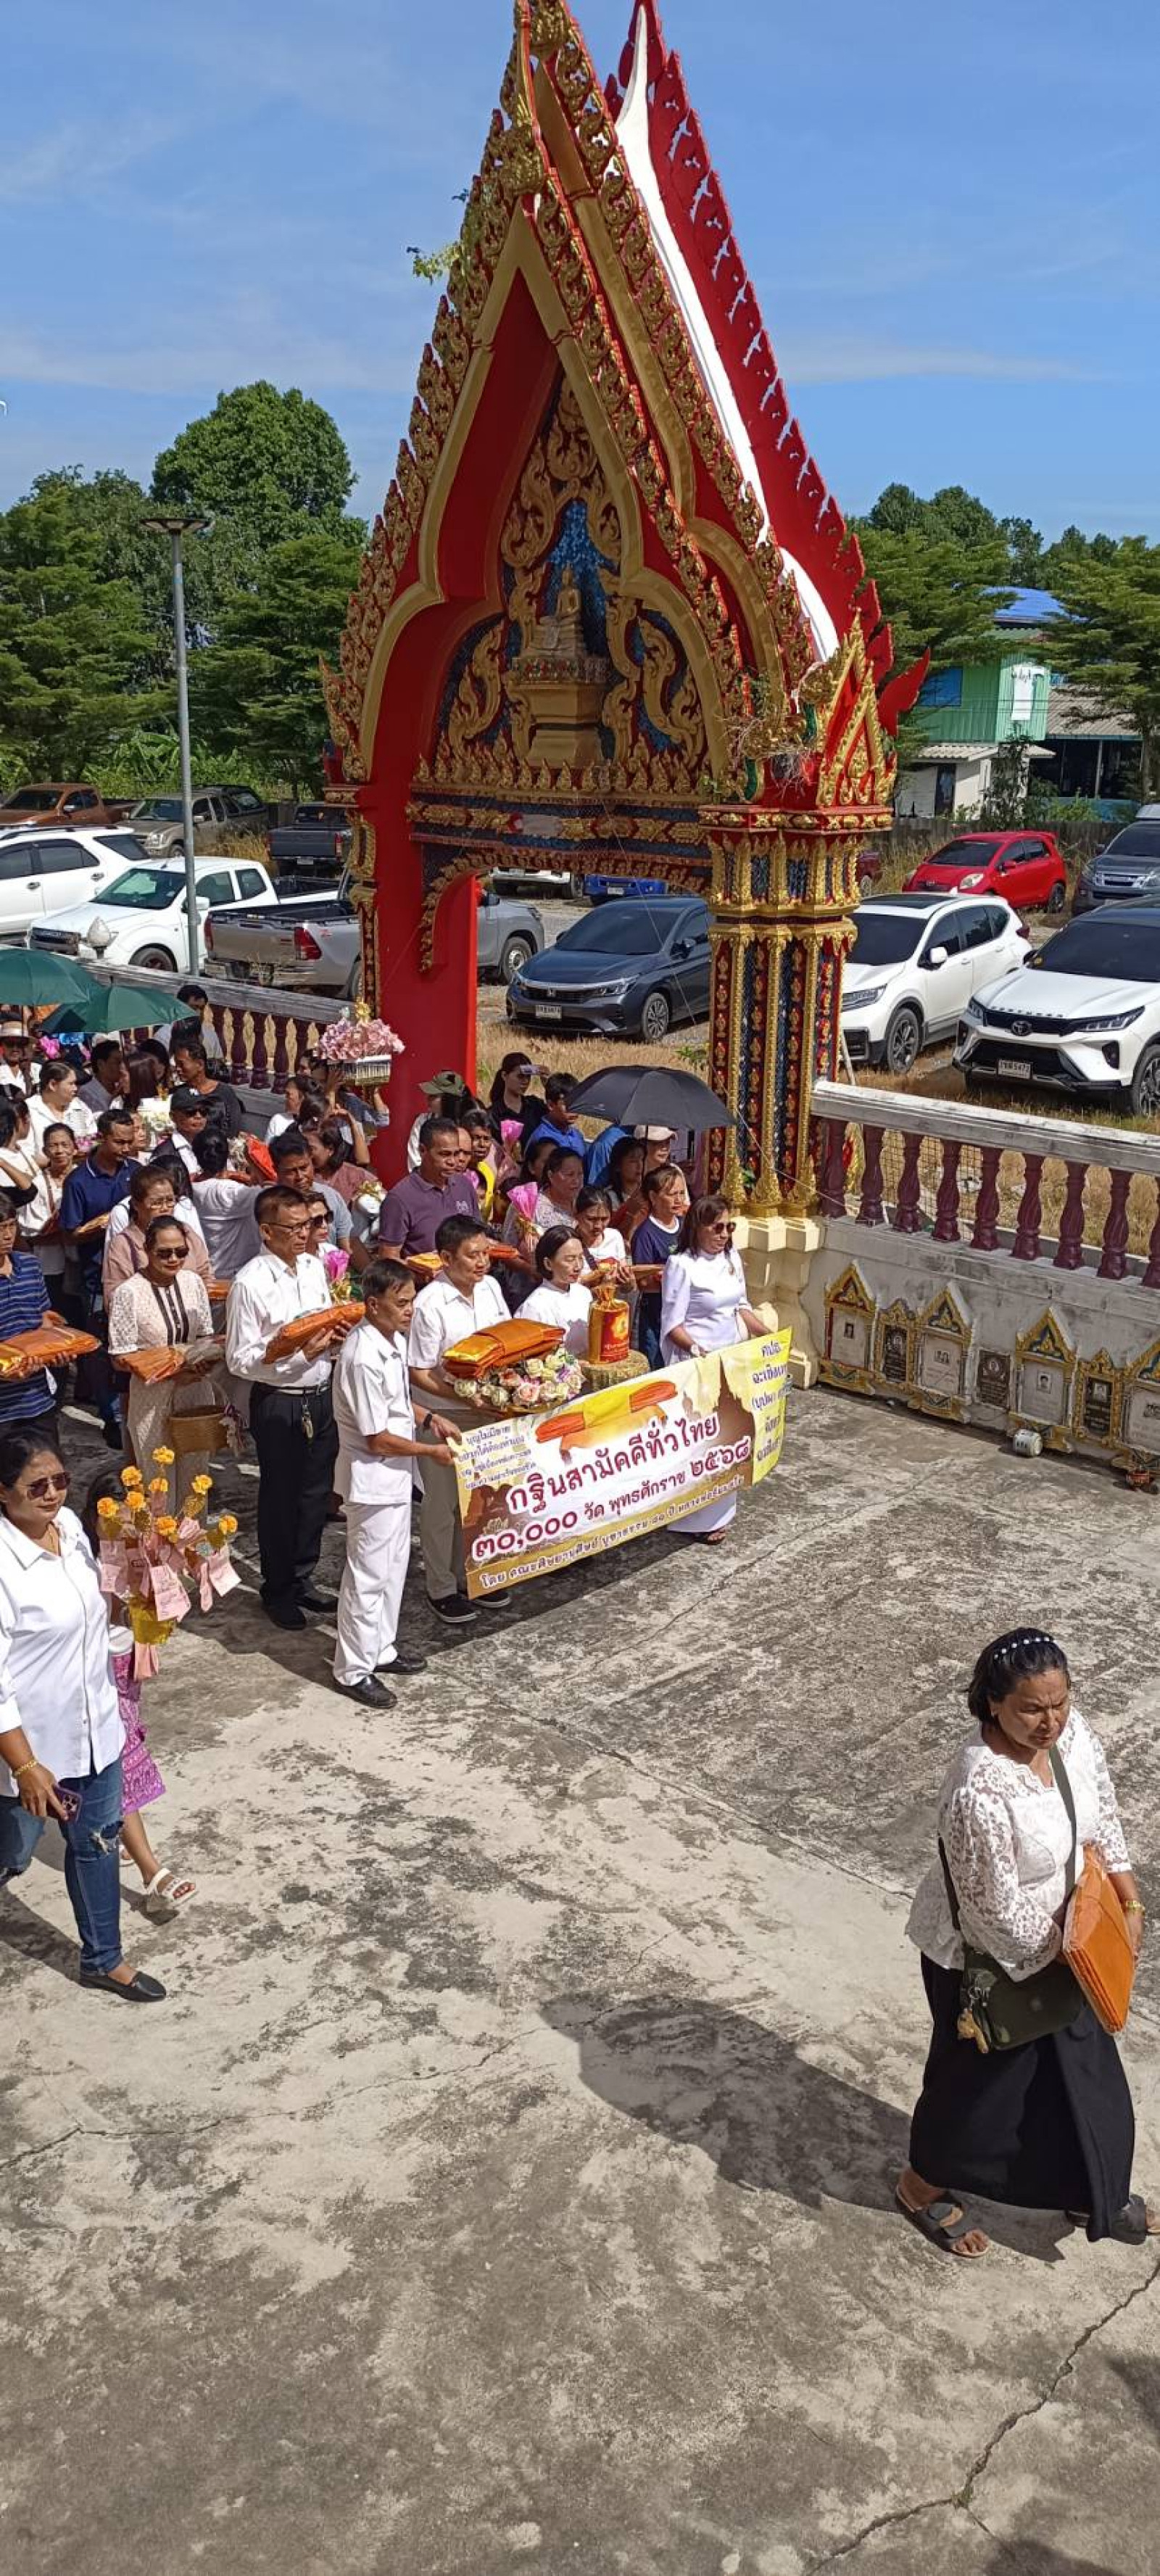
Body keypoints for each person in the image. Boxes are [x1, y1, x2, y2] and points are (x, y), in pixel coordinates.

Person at [902, 1629, 1156, 2258]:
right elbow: (992, 1913)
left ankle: (1093, 2188)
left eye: (1060, 1703)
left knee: (1085, 2079)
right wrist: (1077, 1966)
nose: (1050, 1722)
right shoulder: (978, 1791)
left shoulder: (1074, 1737)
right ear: (992, 1704)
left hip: (1073, 1946)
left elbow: (1103, 1819)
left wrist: (1126, 1898)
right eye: (1032, 1710)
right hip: (987, 1964)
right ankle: (920, 2184)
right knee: (981, 2087)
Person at [0, 1427, 165, 2000]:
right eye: (36, 1485)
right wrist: (24, 1768)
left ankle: (104, 1959)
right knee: (12, 1850)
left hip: (96, 1728)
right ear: (3, 1492)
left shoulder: (69, 1530)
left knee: (94, 1841)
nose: (51, 1494)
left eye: (60, 1481)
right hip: (30, 1750)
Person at [225, 1185, 352, 1630]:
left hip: (320, 1392)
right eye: (294, 1227)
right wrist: (301, 1355)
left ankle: (303, 1575)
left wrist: (332, 1344)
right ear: (267, 1231)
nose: (305, 1234)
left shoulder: (315, 1268)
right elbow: (240, 1358)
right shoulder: (251, 1282)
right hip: (281, 1400)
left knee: (316, 1494)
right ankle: (277, 1588)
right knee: (281, 1496)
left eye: (311, 1225)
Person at [331, 1259, 455, 1707]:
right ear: (372, 1304)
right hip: (373, 1481)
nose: (409, 1311)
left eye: (411, 1302)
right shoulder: (362, 1356)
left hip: (396, 1480)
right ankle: (353, 1669)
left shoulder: (391, 1341)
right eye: (401, 1304)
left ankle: (380, 1649)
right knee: (367, 1577)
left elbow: (399, 1405)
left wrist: (430, 1418)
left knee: (393, 1569)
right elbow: (377, 1437)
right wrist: (429, 1452)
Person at [80, 1468, 196, 1921]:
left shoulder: (150, 1551)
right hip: (94, 1673)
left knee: (118, 1755)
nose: (133, 1528)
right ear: (98, 1520)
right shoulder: (85, 1566)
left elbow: (197, 1555)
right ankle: (154, 1873)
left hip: (130, 1667)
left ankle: (117, 1829)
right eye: (122, 1520)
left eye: (140, 1517)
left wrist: (210, 1546)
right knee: (121, 1757)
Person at [407, 1213, 510, 1625]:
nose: (482, 1262)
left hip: (488, 1409)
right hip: (446, 1414)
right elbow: (419, 1371)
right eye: (473, 1255)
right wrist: (466, 1398)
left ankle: (474, 1576)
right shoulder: (430, 1304)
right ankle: (441, 1586)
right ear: (447, 1258)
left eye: (486, 1253)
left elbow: (506, 1339)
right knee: (443, 1504)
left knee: (481, 1501)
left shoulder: (492, 1289)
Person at [660, 1194, 766, 1542]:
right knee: (700, 1445)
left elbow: (742, 1306)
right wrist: (697, 1350)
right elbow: (672, 1324)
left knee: (728, 1440)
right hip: (698, 1362)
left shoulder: (732, 1258)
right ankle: (691, 1518)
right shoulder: (682, 1265)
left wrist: (768, 1333)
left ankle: (720, 1514)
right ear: (699, 1227)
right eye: (716, 1227)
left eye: (729, 1227)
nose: (723, 1234)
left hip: (730, 1362)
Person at [108, 1215, 222, 1490]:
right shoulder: (129, 1292)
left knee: (196, 1479)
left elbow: (205, 1333)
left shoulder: (193, 1282)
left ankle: (195, 1534)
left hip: (195, 1390)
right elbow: (120, 1357)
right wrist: (169, 1370)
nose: (173, 1258)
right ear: (147, 1251)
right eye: (164, 1253)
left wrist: (206, 1360)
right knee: (157, 1479)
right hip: (152, 1396)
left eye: (181, 1252)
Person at [61, 1107, 138, 1448]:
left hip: (138, 1274)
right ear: (102, 1139)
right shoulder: (79, 1181)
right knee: (102, 1349)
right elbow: (70, 1233)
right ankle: (112, 1415)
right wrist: (106, 1223)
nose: (125, 1148)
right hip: (97, 1276)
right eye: (118, 1142)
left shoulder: (135, 1173)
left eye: (129, 1141)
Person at [103, 1165, 212, 1298]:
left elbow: (205, 1275)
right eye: (157, 1203)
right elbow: (114, 1295)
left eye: (170, 1201)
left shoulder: (187, 1233)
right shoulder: (124, 1245)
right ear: (137, 1205)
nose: (165, 1208)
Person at [378, 1115, 479, 1260]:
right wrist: (422, 1272)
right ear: (422, 1150)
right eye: (444, 1154)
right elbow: (389, 1258)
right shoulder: (400, 1199)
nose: (452, 1162)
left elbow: (478, 1237)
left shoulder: (465, 1186)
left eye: (456, 1154)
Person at [270, 1127, 368, 1273]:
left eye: (304, 1168)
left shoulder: (332, 1197)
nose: (300, 1177)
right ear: (276, 1170)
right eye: (291, 1171)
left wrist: (372, 1278)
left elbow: (349, 1244)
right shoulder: (268, 1206)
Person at [0, 1191, 56, 1436]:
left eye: (11, 1225)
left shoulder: (30, 1266)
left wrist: (56, 1349)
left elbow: (43, 1320)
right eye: (1, 1228)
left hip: (38, 1399)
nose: (7, 1235)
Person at [188, 1120, 262, 1281]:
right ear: (227, 1154)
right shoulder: (232, 1193)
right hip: (239, 1273)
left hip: (208, 1271)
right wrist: (248, 1169)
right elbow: (270, 1188)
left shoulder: (191, 1189)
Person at [631, 1164, 690, 1368]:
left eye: (682, 1193)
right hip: (656, 1311)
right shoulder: (645, 1234)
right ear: (654, 1198)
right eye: (671, 1194)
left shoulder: (686, 1226)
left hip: (685, 1311)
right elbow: (644, 1282)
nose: (678, 1199)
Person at [22, 1122, 80, 1309]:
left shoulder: (84, 1178)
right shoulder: (38, 1184)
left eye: (65, 1145)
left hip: (81, 1259)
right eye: (53, 1146)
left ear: (74, 1146)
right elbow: (31, 1233)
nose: (59, 1151)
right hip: (49, 1262)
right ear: (45, 1151)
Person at [520, 1227, 593, 1355]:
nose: (578, 1266)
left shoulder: (584, 1293)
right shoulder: (535, 1306)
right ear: (548, 1264)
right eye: (570, 1260)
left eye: (581, 1258)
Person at [170, 1033, 244, 1140]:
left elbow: (233, 1128)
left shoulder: (224, 1092)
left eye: (181, 1065)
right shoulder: (177, 1093)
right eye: (176, 1065)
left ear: (200, 1065)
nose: (178, 1069)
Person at [27, 1058, 97, 1152]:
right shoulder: (28, 1110)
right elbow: (26, 1150)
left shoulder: (79, 1106)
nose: (75, 1088)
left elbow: (93, 1138)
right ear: (53, 1085)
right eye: (71, 1084)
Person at [405, 1070, 471, 1170]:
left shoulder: (469, 1122)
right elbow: (415, 1162)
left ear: (449, 1100)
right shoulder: (422, 1122)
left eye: (434, 1096)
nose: (428, 1099)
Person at [523, 1073, 586, 1160]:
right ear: (551, 1105)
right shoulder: (542, 1140)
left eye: (576, 1102)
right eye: (566, 1104)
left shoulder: (577, 1135)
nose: (573, 1109)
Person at [488, 1053, 544, 1149]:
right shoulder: (493, 1114)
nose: (526, 1081)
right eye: (520, 1077)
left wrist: (548, 1085)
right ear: (504, 1075)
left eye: (528, 1077)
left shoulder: (536, 1106)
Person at [574, 1186, 629, 1274]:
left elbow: (623, 1269)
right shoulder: (568, 1243)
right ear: (576, 1214)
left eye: (604, 1219)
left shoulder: (615, 1236)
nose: (598, 1226)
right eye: (591, 1219)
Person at [266, 1074, 327, 1144]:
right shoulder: (279, 1120)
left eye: (288, 1094)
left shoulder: (319, 1124)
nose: (285, 1099)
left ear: (303, 1098)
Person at [607, 1134, 647, 1239]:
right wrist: (630, 1212)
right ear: (618, 1166)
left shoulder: (649, 1193)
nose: (639, 1165)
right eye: (633, 1161)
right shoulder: (609, 1198)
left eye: (642, 1159)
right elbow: (610, 1234)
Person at [154, 983, 211, 1055]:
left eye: (201, 1008)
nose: (198, 1013)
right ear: (179, 1006)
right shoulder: (163, 1036)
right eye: (194, 1008)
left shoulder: (210, 1035)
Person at [78, 1039, 128, 1115]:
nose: (122, 1066)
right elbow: (101, 1119)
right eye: (117, 1062)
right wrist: (116, 1094)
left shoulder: (122, 1085)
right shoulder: (86, 1092)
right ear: (101, 1064)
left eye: (123, 1062)